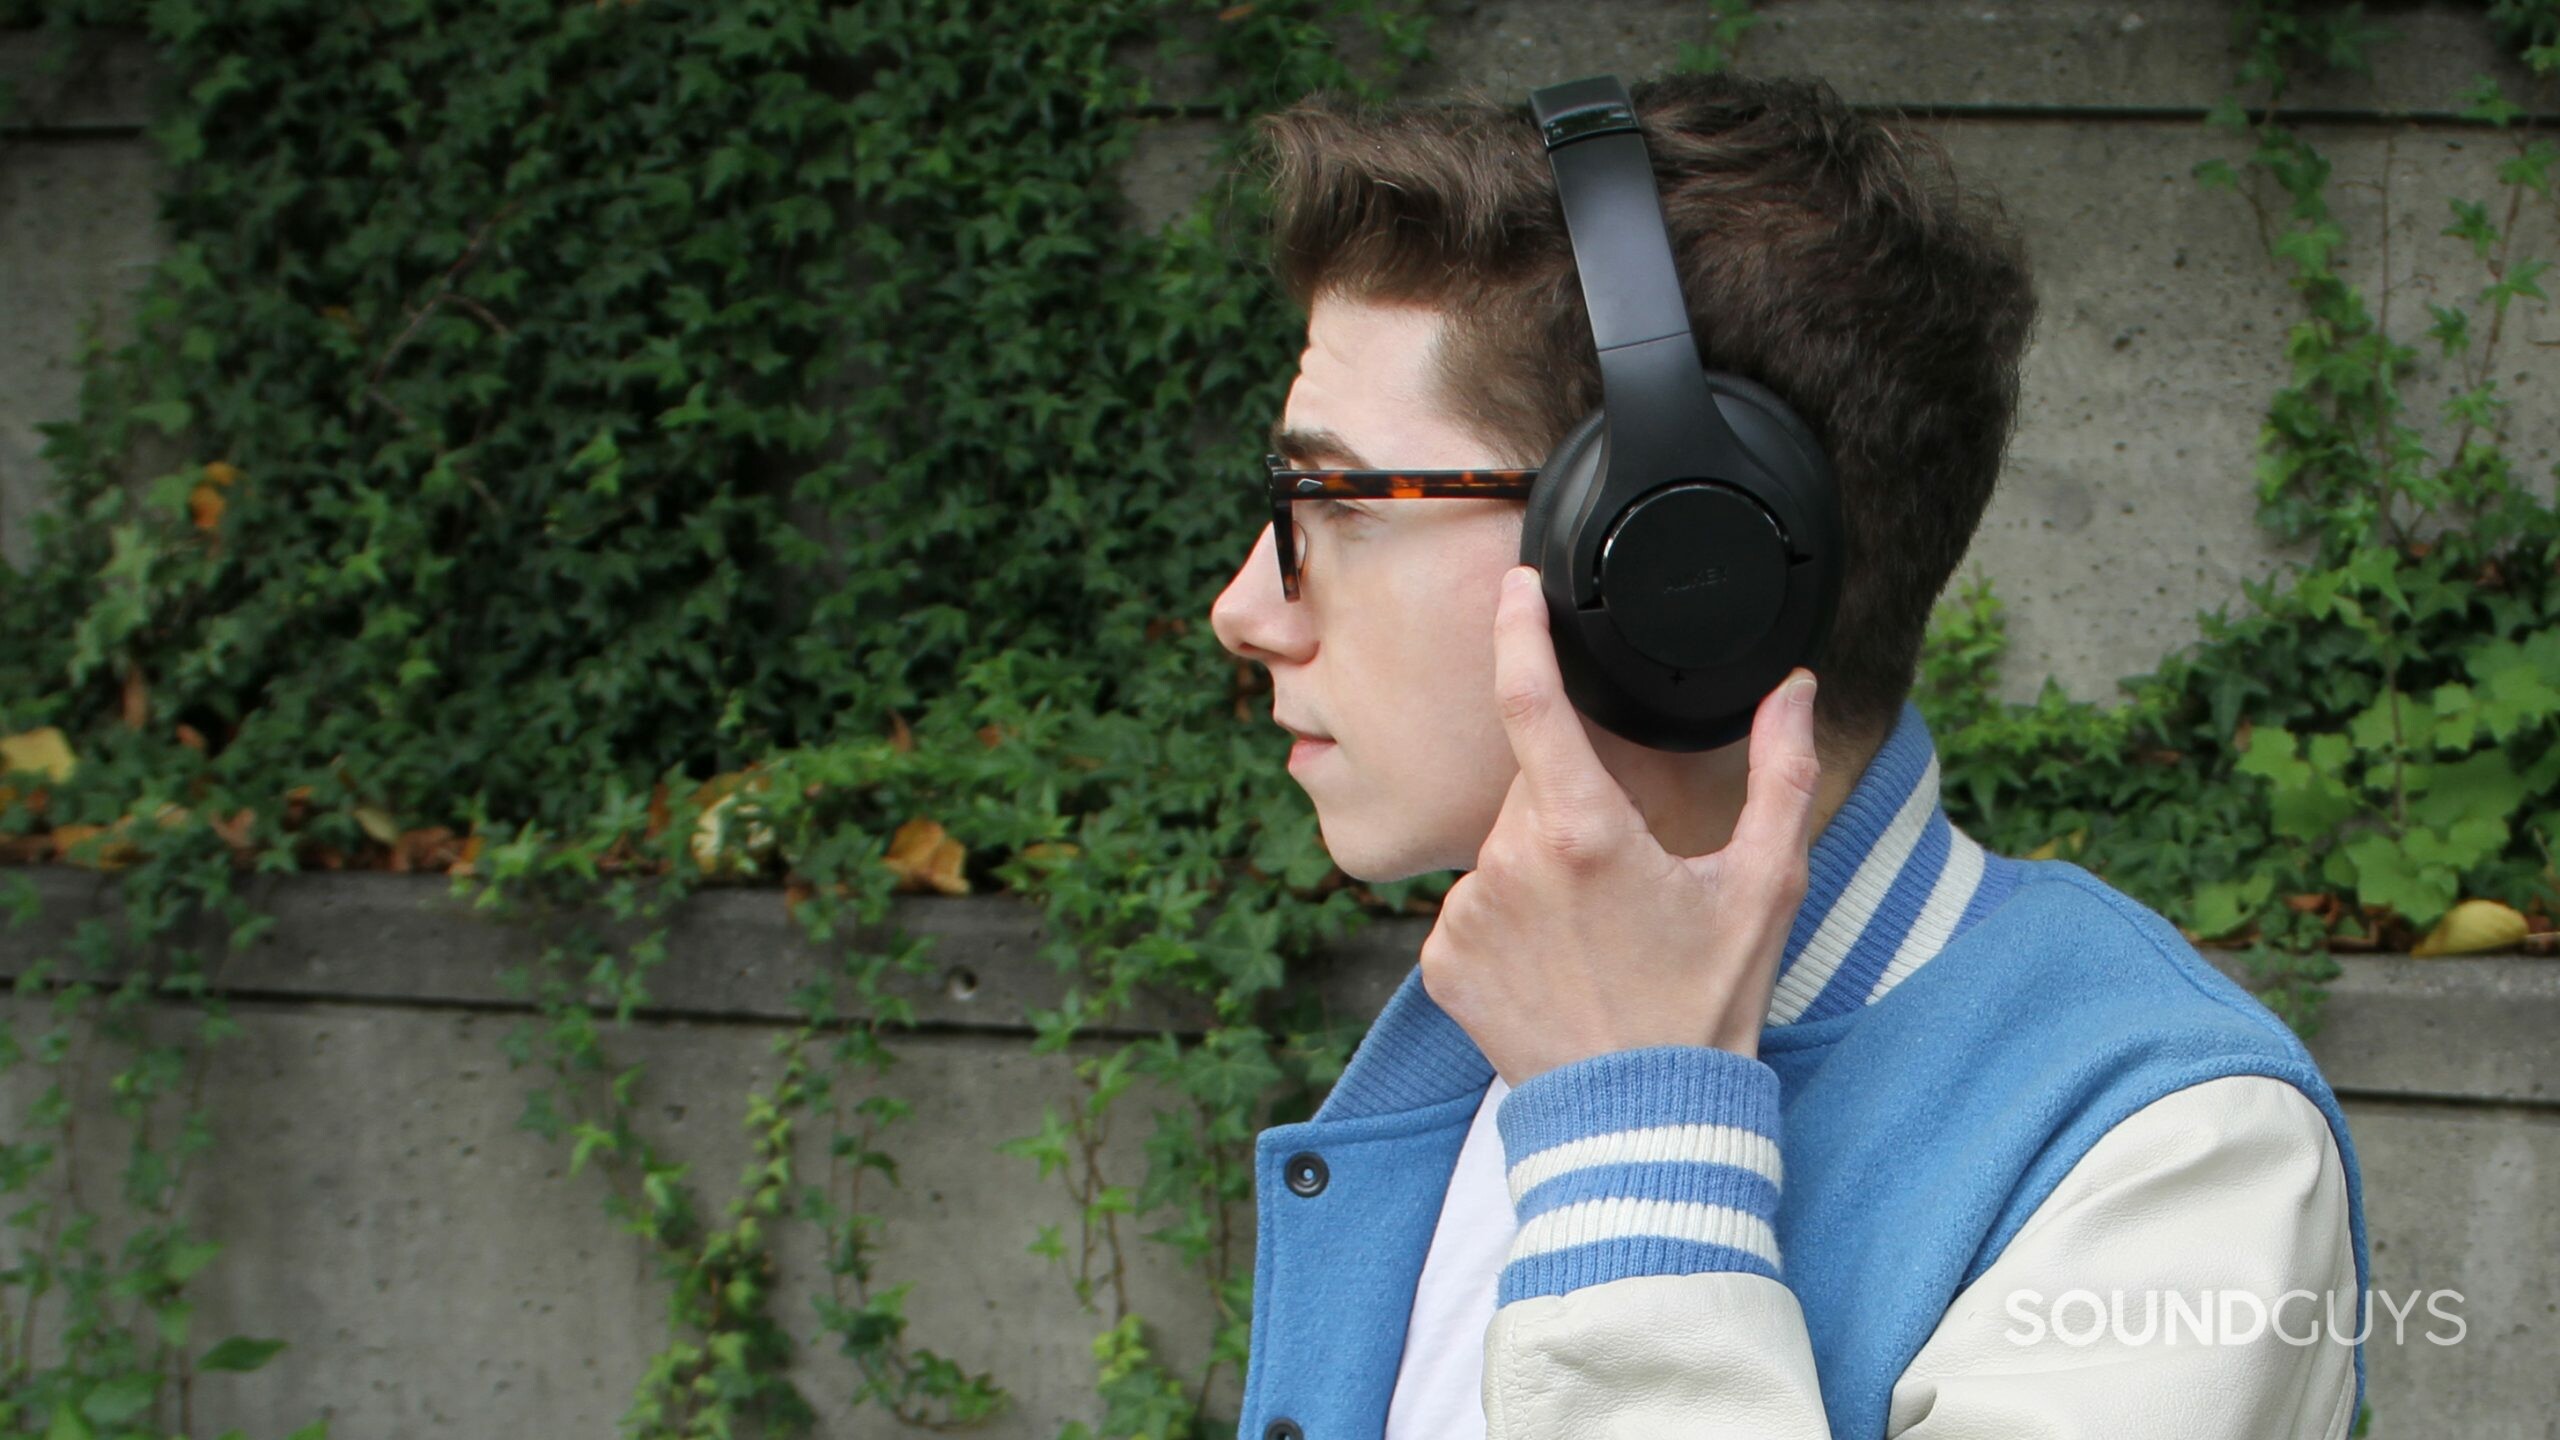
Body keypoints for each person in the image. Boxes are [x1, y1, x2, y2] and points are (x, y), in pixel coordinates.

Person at [1205, 71, 2369, 1440]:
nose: (1245, 607)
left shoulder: (2169, 1158)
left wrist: (1634, 1161)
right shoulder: (1508, 1010)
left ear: (1670, 555)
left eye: (1329, 501)